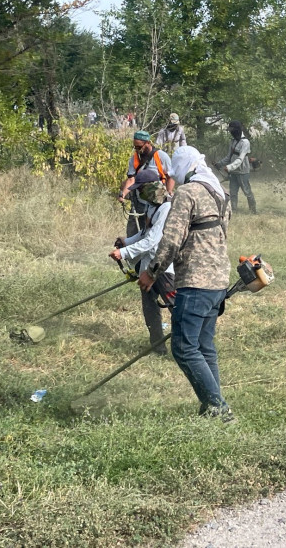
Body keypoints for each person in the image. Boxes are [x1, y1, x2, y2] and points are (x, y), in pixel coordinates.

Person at [138, 145, 234, 421]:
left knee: (183, 347)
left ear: (184, 167)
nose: (173, 176)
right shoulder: (220, 193)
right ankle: (211, 406)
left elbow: (171, 239)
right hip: (218, 279)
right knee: (203, 346)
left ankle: (219, 408)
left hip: (195, 280)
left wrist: (152, 272)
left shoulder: (188, 193)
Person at [109, 169, 175, 355]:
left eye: (141, 189)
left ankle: (188, 346)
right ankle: (157, 347)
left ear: (152, 187)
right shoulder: (152, 206)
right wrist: (127, 241)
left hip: (163, 267)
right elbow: (145, 232)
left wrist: (124, 252)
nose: (139, 194)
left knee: (176, 308)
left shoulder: (167, 208)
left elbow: (152, 240)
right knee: (150, 308)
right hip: (147, 266)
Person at [118, 130, 174, 237]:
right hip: (139, 201)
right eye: (135, 147)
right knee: (132, 232)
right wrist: (123, 194)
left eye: (139, 147)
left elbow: (170, 176)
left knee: (151, 232)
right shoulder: (134, 159)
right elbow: (131, 179)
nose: (137, 150)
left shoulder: (161, 156)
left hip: (156, 202)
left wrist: (169, 192)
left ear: (148, 143)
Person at [215, 120, 257, 214]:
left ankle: (253, 210)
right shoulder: (233, 141)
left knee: (247, 191)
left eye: (231, 130)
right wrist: (219, 164)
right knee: (233, 192)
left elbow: (240, 159)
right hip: (233, 172)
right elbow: (229, 157)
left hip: (242, 171)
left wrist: (229, 167)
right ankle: (233, 210)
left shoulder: (245, 142)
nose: (230, 132)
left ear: (236, 130)